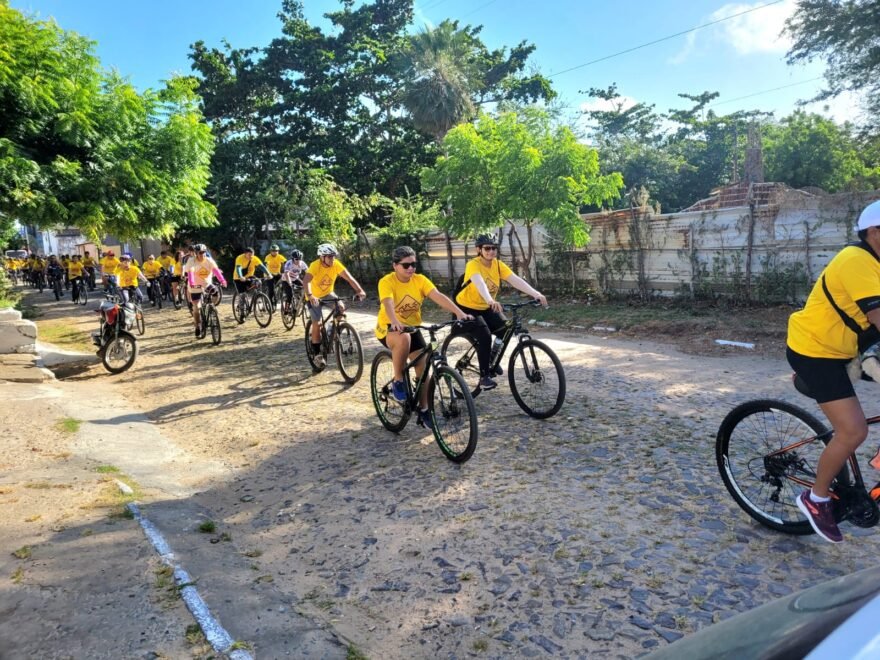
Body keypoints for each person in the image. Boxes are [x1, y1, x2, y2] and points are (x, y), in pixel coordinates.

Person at [787, 199, 880, 544]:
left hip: (847, 349)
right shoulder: (857, 261)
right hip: (815, 352)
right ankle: (817, 498)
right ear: (874, 232)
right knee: (854, 431)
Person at [376, 246, 477, 429]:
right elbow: (388, 302)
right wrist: (395, 321)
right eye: (406, 265)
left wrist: (459, 313)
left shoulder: (420, 280)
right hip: (389, 328)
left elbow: (437, 296)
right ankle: (398, 381)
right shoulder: (387, 281)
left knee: (424, 371)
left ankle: (424, 410)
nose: (410, 269)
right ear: (395, 266)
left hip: (413, 328)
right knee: (404, 339)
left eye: (414, 264)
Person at [453, 233, 548, 384]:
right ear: (479, 249)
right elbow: (480, 283)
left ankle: (491, 359)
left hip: (485, 306)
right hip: (466, 307)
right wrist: (490, 300)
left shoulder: (497, 264)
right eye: (487, 248)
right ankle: (484, 376)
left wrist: (536, 294)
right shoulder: (473, 264)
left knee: (505, 330)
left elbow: (515, 280)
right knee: (484, 335)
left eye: (494, 248)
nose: (491, 251)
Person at [303, 243, 366, 367]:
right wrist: (310, 295)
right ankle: (317, 354)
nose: (333, 259)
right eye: (330, 257)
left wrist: (360, 291)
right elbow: (306, 281)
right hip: (313, 296)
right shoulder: (315, 266)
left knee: (341, 307)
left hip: (327, 293)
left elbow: (350, 278)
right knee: (317, 323)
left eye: (334, 257)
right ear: (322, 257)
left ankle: (332, 328)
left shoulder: (336, 265)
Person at [184, 244, 226, 338]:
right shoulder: (191, 261)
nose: (202, 254)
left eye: (203, 252)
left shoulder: (209, 260)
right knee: (197, 308)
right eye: (200, 253)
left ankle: (212, 308)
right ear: (196, 253)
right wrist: (191, 283)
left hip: (206, 284)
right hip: (195, 286)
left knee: (216, 293)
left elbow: (216, 271)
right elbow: (190, 272)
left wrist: (222, 280)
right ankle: (198, 325)